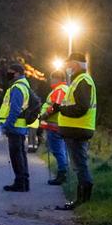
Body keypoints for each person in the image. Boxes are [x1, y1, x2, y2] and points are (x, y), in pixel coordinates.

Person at [52, 52, 97, 210]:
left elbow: (82, 107)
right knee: (79, 164)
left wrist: (62, 110)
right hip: (78, 129)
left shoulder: (82, 81)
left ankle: (82, 201)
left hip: (79, 129)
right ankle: (82, 200)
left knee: (80, 165)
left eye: (69, 64)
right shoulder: (79, 80)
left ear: (76, 64)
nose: (67, 67)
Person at [0, 64, 31, 192]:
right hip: (20, 127)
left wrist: (6, 126)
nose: (8, 75)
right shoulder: (24, 85)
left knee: (16, 156)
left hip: (15, 127)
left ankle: (20, 183)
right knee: (21, 155)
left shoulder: (17, 87)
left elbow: (15, 110)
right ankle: (24, 182)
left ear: (17, 73)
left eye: (10, 72)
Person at [39, 70, 69, 185]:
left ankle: (62, 174)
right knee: (62, 151)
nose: (50, 81)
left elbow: (56, 105)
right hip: (60, 125)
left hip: (55, 125)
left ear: (57, 79)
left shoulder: (60, 89)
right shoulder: (64, 89)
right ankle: (63, 172)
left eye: (52, 78)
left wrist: (45, 115)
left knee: (58, 151)